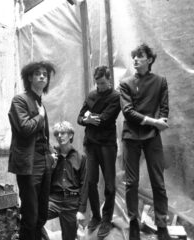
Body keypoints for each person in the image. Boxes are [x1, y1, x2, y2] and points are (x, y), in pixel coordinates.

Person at [119, 43, 171, 240]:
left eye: (140, 56)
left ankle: (162, 224)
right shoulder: (125, 83)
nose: (135, 59)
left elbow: (164, 108)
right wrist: (154, 122)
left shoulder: (160, 81)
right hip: (131, 136)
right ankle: (133, 222)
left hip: (152, 137)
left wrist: (162, 121)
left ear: (149, 60)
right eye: (134, 56)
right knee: (131, 183)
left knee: (158, 182)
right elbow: (128, 112)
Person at [8, 61, 56, 240]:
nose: (42, 76)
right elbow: (25, 128)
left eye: (45, 74)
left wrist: (51, 152)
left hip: (44, 162)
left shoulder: (40, 102)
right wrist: (40, 115)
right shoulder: (20, 100)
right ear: (29, 77)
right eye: (38, 74)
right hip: (29, 164)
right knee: (30, 215)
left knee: (42, 214)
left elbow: (42, 136)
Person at [77, 65, 121, 238]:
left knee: (110, 185)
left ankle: (107, 220)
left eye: (103, 83)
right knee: (90, 182)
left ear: (109, 80)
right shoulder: (91, 95)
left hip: (107, 145)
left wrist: (90, 117)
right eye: (97, 83)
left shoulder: (115, 97)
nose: (100, 86)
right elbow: (80, 118)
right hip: (91, 144)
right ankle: (96, 216)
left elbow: (104, 120)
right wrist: (90, 119)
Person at [43, 121, 87, 240]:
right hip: (53, 200)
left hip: (72, 202)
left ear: (71, 135)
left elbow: (84, 184)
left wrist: (81, 210)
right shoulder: (51, 154)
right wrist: (50, 163)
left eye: (63, 133)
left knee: (69, 237)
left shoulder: (80, 157)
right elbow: (43, 177)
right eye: (57, 133)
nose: (59, 136)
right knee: (34, 217)